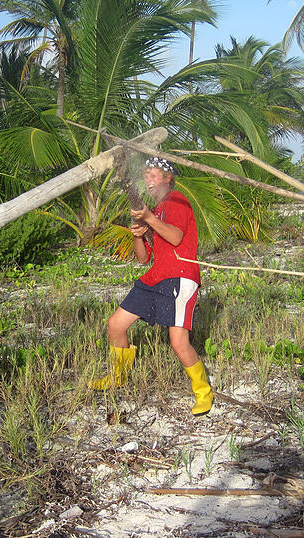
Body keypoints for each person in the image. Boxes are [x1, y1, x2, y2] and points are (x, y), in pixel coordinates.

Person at [88, 156, 213, 416]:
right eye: (145, 174)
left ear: (168, 178)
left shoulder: (177, 200)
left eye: (153, 173)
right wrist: (139, 234)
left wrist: (149, 218)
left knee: (178, 342)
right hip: (155, 277)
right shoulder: (155, 211)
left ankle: (203, 392)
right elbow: (143, 258)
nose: (147, 178)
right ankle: (118, 376)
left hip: (180, 276)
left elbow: (176, 237)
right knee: (116, 324)